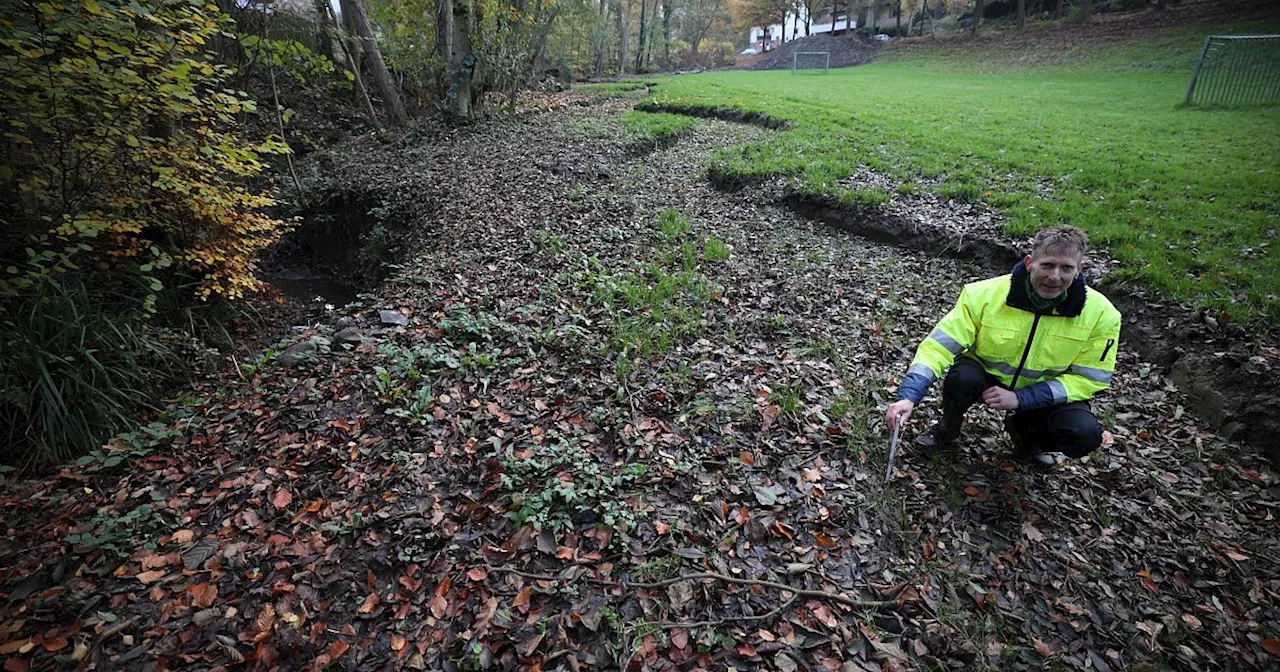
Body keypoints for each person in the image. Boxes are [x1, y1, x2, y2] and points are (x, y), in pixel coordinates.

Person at [884, 226, 1121, 467]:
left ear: (1079, 271)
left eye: (1066, 268)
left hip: (1044, 393)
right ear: (1030, 263)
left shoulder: (1103, 315)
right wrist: (909, 396)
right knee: (961, 378)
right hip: (986, 378)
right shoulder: (982, 295)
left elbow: (1089, 379)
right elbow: (938, 348)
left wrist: (1021, 398)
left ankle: (1026, 436)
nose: (1054, 276)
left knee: (1084, 434)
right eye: (1047, 265)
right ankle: (948, 429)